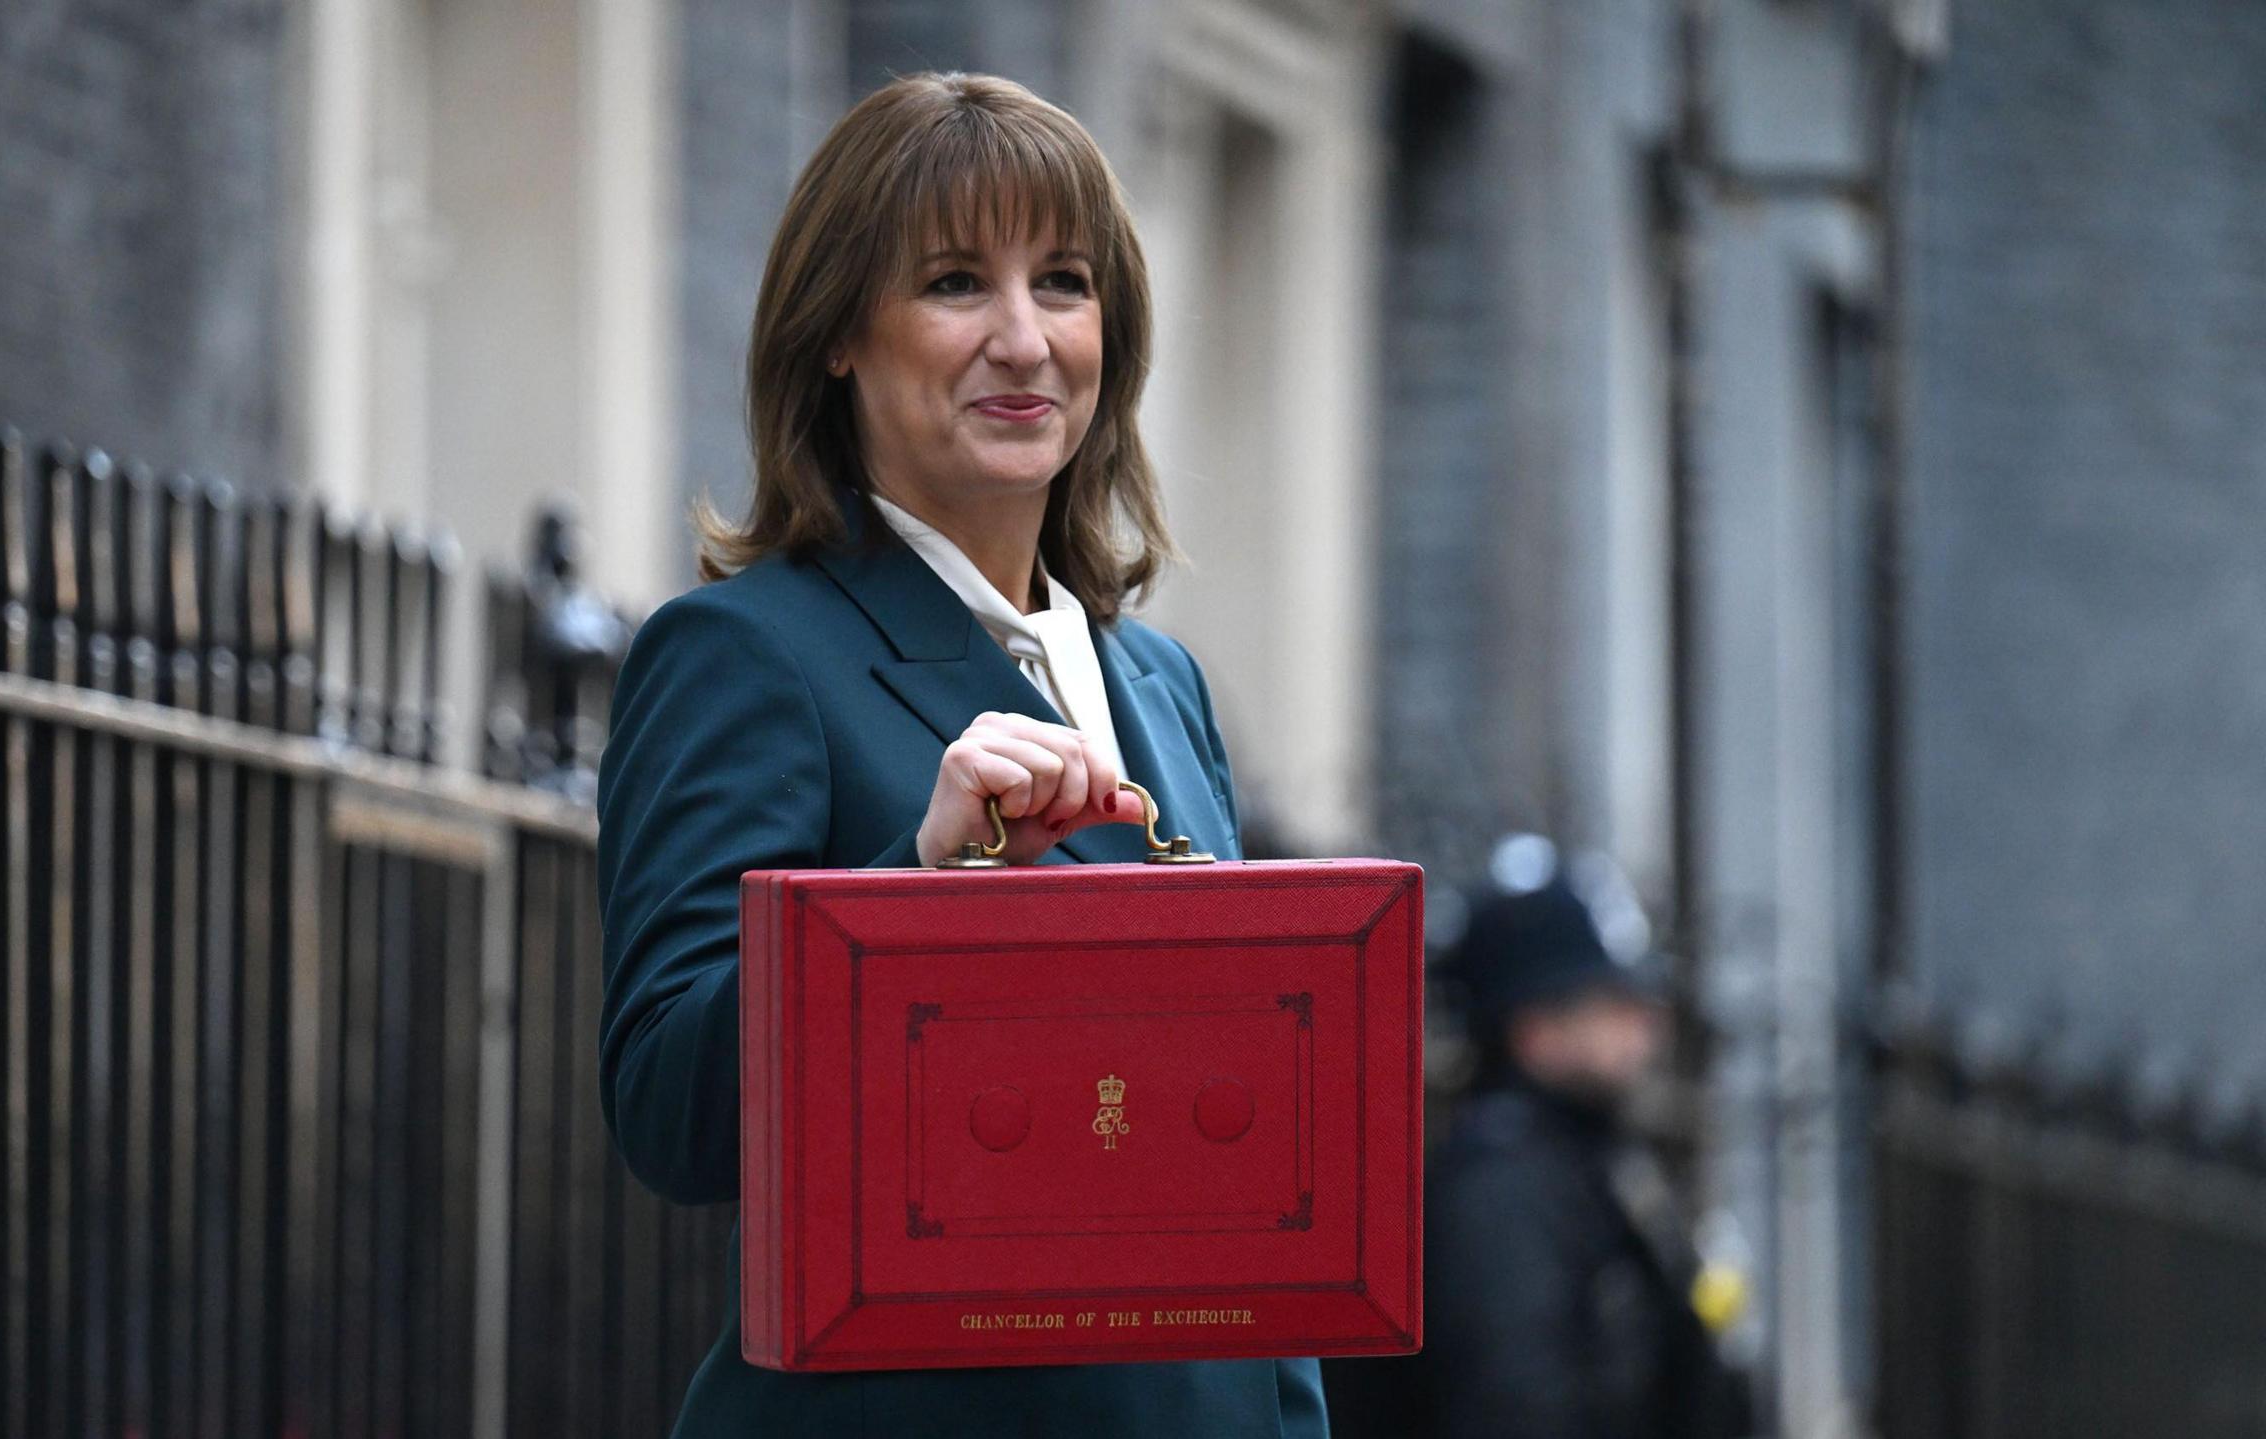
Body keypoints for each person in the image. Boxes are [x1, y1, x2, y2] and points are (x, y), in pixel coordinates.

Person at [595, 73, 1325, 1437]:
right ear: (835, 337)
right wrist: (918, 879)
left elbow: (1250, 1183)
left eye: (1063, 281)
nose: (1023, 339)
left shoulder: (1159, 680)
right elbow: (665, 1108)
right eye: (951, 284)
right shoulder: (743, 651)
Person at [1326, 840, 1745, 1439]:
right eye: (1611, 1001)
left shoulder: (1576, 1156)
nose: (1645, 1023)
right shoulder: (1502, 1191)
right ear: (1534, 1029)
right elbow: (1514, 1407)